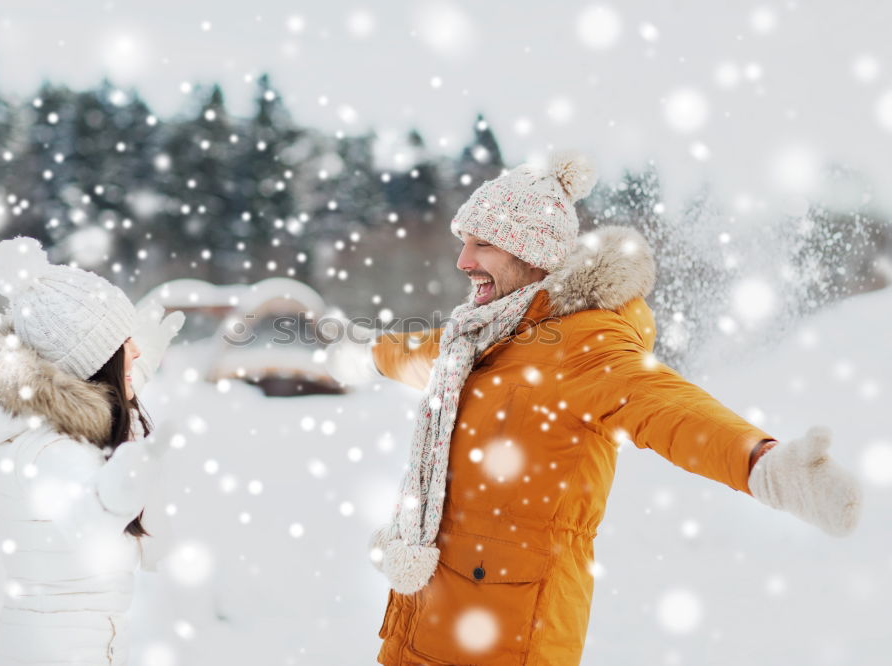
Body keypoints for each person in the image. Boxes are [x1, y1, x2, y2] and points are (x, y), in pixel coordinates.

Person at [326, 152, 863, 665]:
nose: (464, 261)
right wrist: (365, 356)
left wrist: (761, 463)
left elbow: (663, 404)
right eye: (464, 242)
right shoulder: (482, 336)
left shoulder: (584, 342)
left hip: (508, 634)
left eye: (482, 244)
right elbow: (423, 353)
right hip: (428, 619)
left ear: (531, 253)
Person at [0, 237, 184, 666]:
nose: (136, 349)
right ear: (92, 362)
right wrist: (120, 488)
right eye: (124, 343)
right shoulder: (52, 451)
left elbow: (92, 400)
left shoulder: (48, 429)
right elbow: (89, 524)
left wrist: (138, 368)